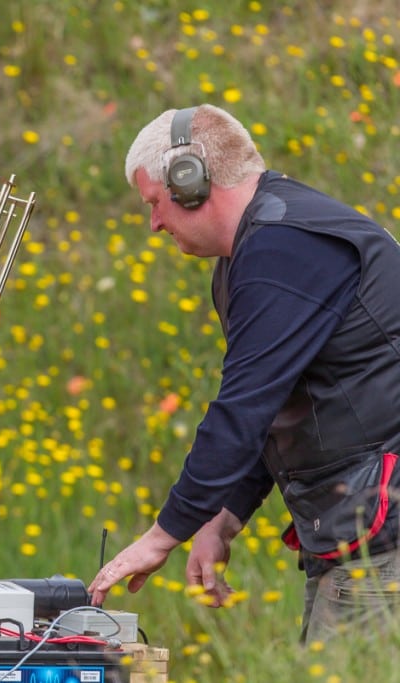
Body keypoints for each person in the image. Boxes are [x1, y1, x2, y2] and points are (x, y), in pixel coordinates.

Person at [86, 104, 400, 644]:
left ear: (190, 182)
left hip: (385, 543)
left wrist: (165, 534)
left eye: (155, 204)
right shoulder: (254, 253)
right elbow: (274, 402)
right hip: (358, 534)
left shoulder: (287, 245)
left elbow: (243, 406)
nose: (154, 224)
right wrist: (222, 517)